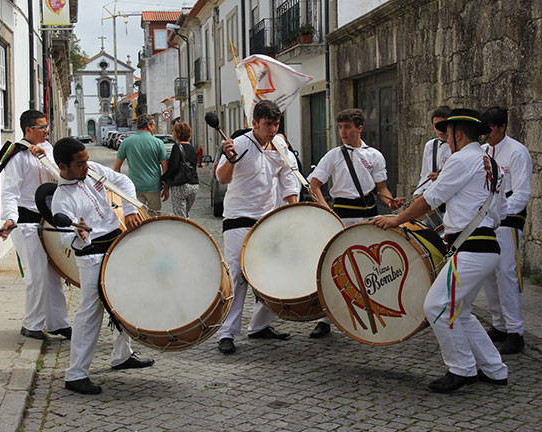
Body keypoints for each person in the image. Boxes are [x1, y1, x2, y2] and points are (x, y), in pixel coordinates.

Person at [373, 108, 508, 393]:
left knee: (436, 306)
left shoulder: (461, 159)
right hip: (486, 246)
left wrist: (397, 220)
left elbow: (430, 199)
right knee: (461, 311)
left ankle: (462, 369)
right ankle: (495, 369)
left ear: (458, 134)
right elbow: (500, 211)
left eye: (447, 135)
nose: (446, 140)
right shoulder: (492, 164)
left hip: (471, 248)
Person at [52, 137, 154, 395]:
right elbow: (66, 238)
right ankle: (75, 374)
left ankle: (122, 355)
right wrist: (79, 235)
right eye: (80, 164)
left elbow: (123, 181)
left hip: (115, 243)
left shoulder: (92, 170)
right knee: (90, 312)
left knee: (124, 300)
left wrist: (130, 210)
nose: (86, 166)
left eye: (86, 160)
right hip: (92, 255)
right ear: (63, 167)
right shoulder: (61, 199)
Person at [307, 108, 404, 339]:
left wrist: (390, 202)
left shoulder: (374, 156)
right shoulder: (333, 155)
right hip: (341, 215)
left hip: (369, 215)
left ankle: (371, 314)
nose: (343, 132)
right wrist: (327, 210)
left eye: (347, 127)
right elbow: (314, 185)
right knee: (334, 267)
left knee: (369, 268)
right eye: (341, 127)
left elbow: (381, 189)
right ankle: (324, 319)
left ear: (359, 128)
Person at [214, 100, 300, 355]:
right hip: (238, 218)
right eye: (267, 124)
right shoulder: (239, 144)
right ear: (254, 123)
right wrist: (230, 159)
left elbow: (288, 178)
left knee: (270, 272)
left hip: (266, 218)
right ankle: (226, 333)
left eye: (276, 124)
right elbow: (222, 177)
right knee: (237, 275)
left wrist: (293, 210)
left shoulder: (280, 146)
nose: (272, 129)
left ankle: (260, 325)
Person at [0, 109, 71, 340]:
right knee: (37, 273)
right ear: (28, 129)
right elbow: (10, 191)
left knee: (53, 273)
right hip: (26, 219)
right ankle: (32, 324)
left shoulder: (48, 149)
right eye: (42, 127)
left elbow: (62, 178)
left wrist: (43, 157)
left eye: (46, 126)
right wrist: (10, 217)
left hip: (48, 217)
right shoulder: (17, 155)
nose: (46, 131)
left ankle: (58, 322)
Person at [480, 106, 532, 354]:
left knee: (506, 272)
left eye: (491, 129)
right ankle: (499, 324)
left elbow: (522, 193)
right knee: (489, 272)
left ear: (502, 127)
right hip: (486, 219)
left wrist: (500, 212)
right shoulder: (482, 151)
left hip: (508, 219)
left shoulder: (517, 152)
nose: (488, 135)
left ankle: (515, 330)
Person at [113, 114, 168, 215]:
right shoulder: (158, 143)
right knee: (155, 218)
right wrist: (166, 187)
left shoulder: (126, 142)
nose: (154, 128)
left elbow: (116, 168)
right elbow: (165, 168)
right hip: (153, 186)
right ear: (148, 125)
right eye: (153, 125)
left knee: (138, 217)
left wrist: (121, 187)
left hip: (134, 187)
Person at [160, 122, 199, 217]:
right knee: (185, 214)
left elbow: (173, 167)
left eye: (173, 131)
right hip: (194, 185)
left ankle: (184, 227)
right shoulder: (192, 148)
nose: (172, 133)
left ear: (177, 133)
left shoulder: (177, 147)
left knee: (180, 216)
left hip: (181, 185)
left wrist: (164, 178)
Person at [413, 106, 452, 196]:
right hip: (431, 194)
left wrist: (440, 178)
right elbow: (425, 175)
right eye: (436, 125)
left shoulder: (458, 147)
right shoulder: (430, 146)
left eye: (443, 125)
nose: (439, 130)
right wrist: (417, 193)